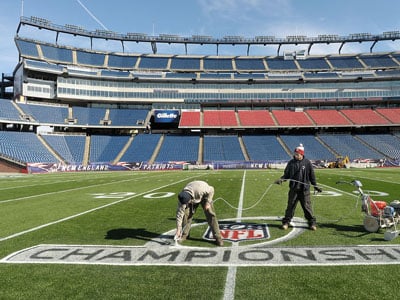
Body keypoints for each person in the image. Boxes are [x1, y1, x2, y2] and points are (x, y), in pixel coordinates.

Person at [274, 144, 322, 231]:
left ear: (301, 154)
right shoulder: (291, 163)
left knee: (307, 207)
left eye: (297, 154)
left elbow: (312, 176)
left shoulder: (307, 163)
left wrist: (315, 186)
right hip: (293, 189)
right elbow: (286, 175)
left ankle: (312, 223)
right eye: (295, 154)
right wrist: (281, 179)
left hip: (304, 190)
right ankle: (286, 222)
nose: (295, 155)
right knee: (290, 206)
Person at [175, 180, 223, 246]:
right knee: (185, 215)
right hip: (193, 195)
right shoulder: (182, 198)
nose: (185, 205)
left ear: (190, 200)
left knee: (210, 214)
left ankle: (218, 237)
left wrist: (208, 202)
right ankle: (185, 234)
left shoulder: (201, 190)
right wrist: (178, 229)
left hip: (204, 196)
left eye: (186, 203)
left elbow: (212, 189)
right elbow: (179, 214)